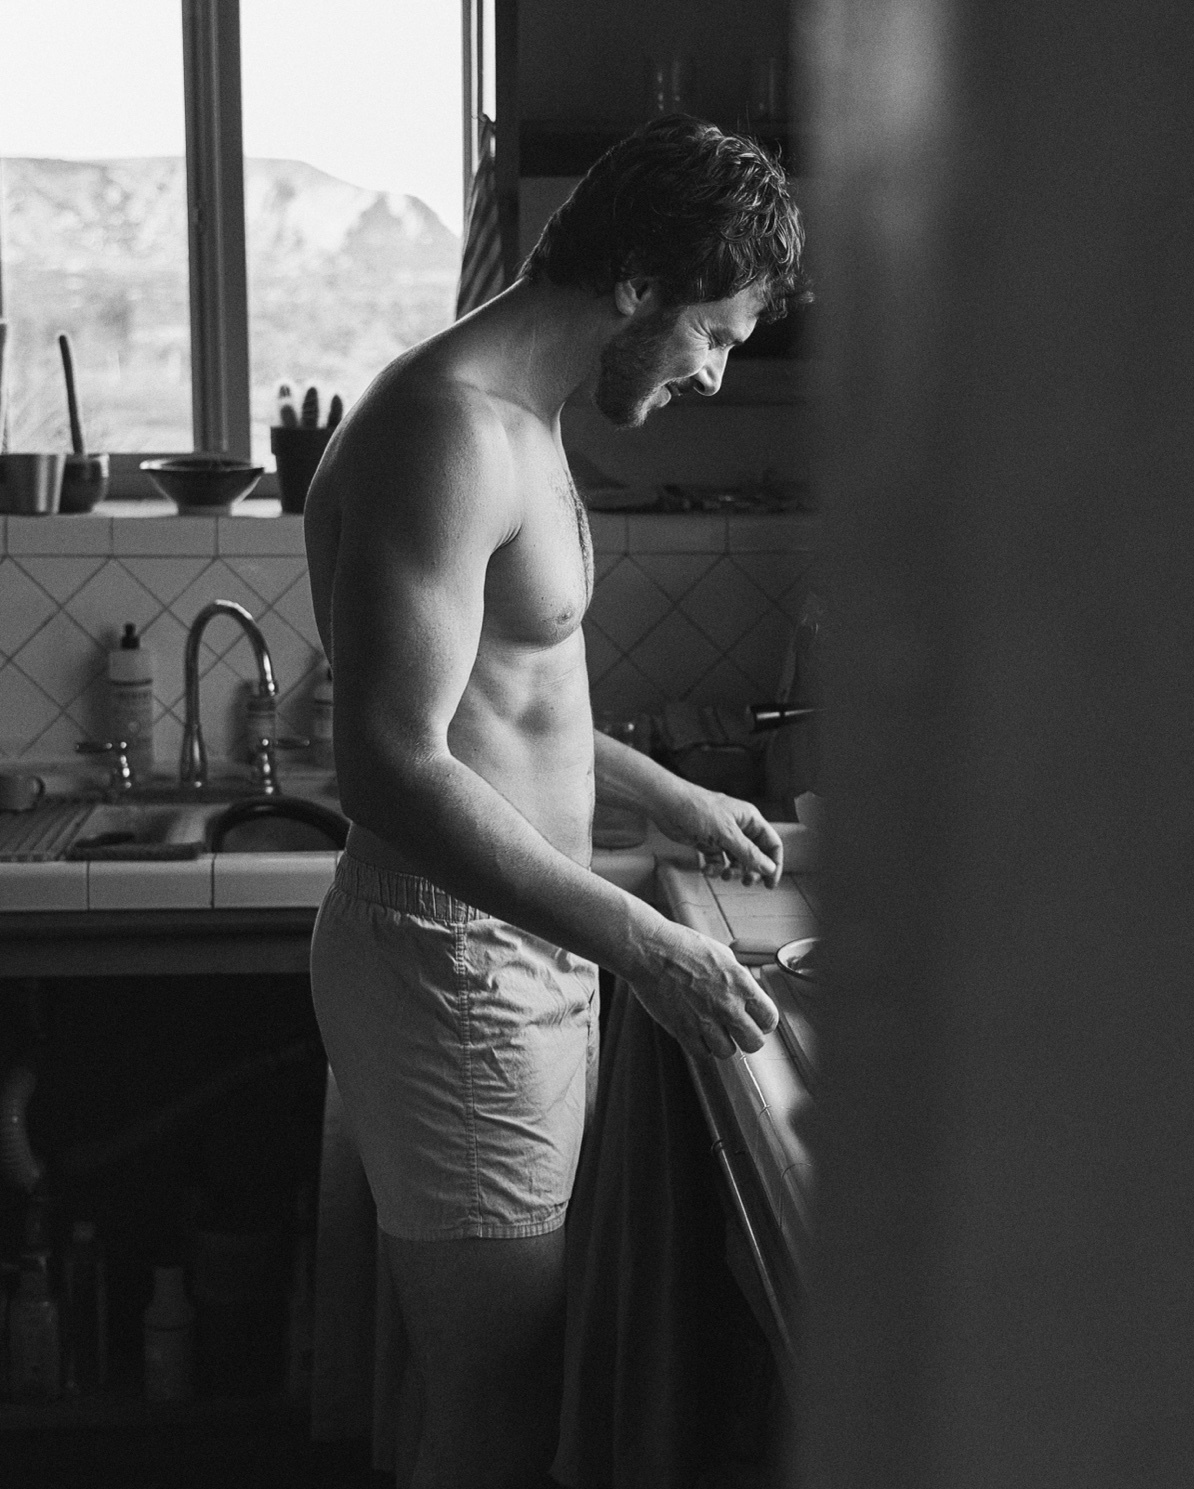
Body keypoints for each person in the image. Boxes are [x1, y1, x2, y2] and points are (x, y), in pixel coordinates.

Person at [304, 114, 807, 1487]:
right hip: (454, 956)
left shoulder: (517, 418)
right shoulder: (446, 430)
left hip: (507, 946)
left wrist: (666, 791)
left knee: (490, 1383)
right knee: (498, 1399)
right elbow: (390, 762)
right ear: (637, 283)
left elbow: (503, 701)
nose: (713, 372)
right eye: (711, 332)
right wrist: (647, 944)